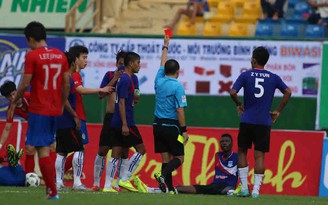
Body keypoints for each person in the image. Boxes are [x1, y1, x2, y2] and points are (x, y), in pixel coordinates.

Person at [9, 21, 71, 200]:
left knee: (42, 149)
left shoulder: (33, 56)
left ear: (30, 39)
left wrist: (15, 99)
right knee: (48, 147)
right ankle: (52, 190)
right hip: (54, 110)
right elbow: (66, 84)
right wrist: (61, 104)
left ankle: (53, 191)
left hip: (38, 109)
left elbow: (25, 83)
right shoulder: (60, 56)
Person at [230, 46, 291, 198]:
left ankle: (244, 188)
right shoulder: (274, 77)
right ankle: (256, 191)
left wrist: (239, 104)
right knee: (259, 156)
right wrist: (278, 111)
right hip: (264, 122)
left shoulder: (246, 75)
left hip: (247, 119)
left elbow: (232, 92)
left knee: (243, 152)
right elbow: (288, 92)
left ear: (253, 60)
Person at [92, 51, 140, 192]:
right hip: (111, 116)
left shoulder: (133, 78)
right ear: (116, 63)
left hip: (123, 117)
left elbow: (137, 97)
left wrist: (134, 93)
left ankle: (117, 183)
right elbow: (101, 94)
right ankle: (96, 183)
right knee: (103, 150)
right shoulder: (110, 75)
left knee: (123, 152)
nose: (121, 67)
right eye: (120, 64)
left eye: (123, 64)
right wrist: (115, 80)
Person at [135, 134, 238, 195]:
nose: (224, 143)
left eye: (227, 141)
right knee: (183, 188)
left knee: (227, 191)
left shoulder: (237, 157)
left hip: (227, 187)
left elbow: (242, 172)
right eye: (222, 141)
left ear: (232, 143)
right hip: (214, 186)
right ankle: (153, 190)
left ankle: (152, 190)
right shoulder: (218, 155)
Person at [103, 52, 146, 193]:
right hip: (126, 120)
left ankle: (108, 186)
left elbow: (133, 98)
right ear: (131, 63)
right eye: (138, 62)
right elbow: (121, 103)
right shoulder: (127, 80)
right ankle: (125, 178)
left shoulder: (124, 79)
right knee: (141, 149)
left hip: (118, 120)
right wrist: (125, 124)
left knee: (116, 151)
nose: (139, 65)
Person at [65, 45, 111, 174]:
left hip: (73, 116)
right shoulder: (74, 75)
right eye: (84, 57)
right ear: (76, 59)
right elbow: (80, 90)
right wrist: (100, 89)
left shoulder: (74, 75)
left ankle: (61, 176)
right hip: (76, 116)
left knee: (69, 149)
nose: (86, 61)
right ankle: (73, 179)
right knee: (80, 149)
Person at [153, 35, 189, 194]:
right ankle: (162, 176)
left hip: (157, 125)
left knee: (165, 159)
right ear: (178, 72)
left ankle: (170, 189)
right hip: (171, 126)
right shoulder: (178, 87)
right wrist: (184, 130)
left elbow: (162, 63)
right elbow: (180, 110)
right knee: (179, 158)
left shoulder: (158, 81)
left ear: (165, 71)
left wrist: (165, 46)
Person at [55, 52, 86, 191]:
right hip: (67, 120)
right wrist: (74, 115)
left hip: (59, 120)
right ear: (73, 63)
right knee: (79, 148)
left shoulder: (61, 77)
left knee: (61, 152)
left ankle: (58, 182)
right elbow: (64, 99)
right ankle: (77, 183)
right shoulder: (69, 78)